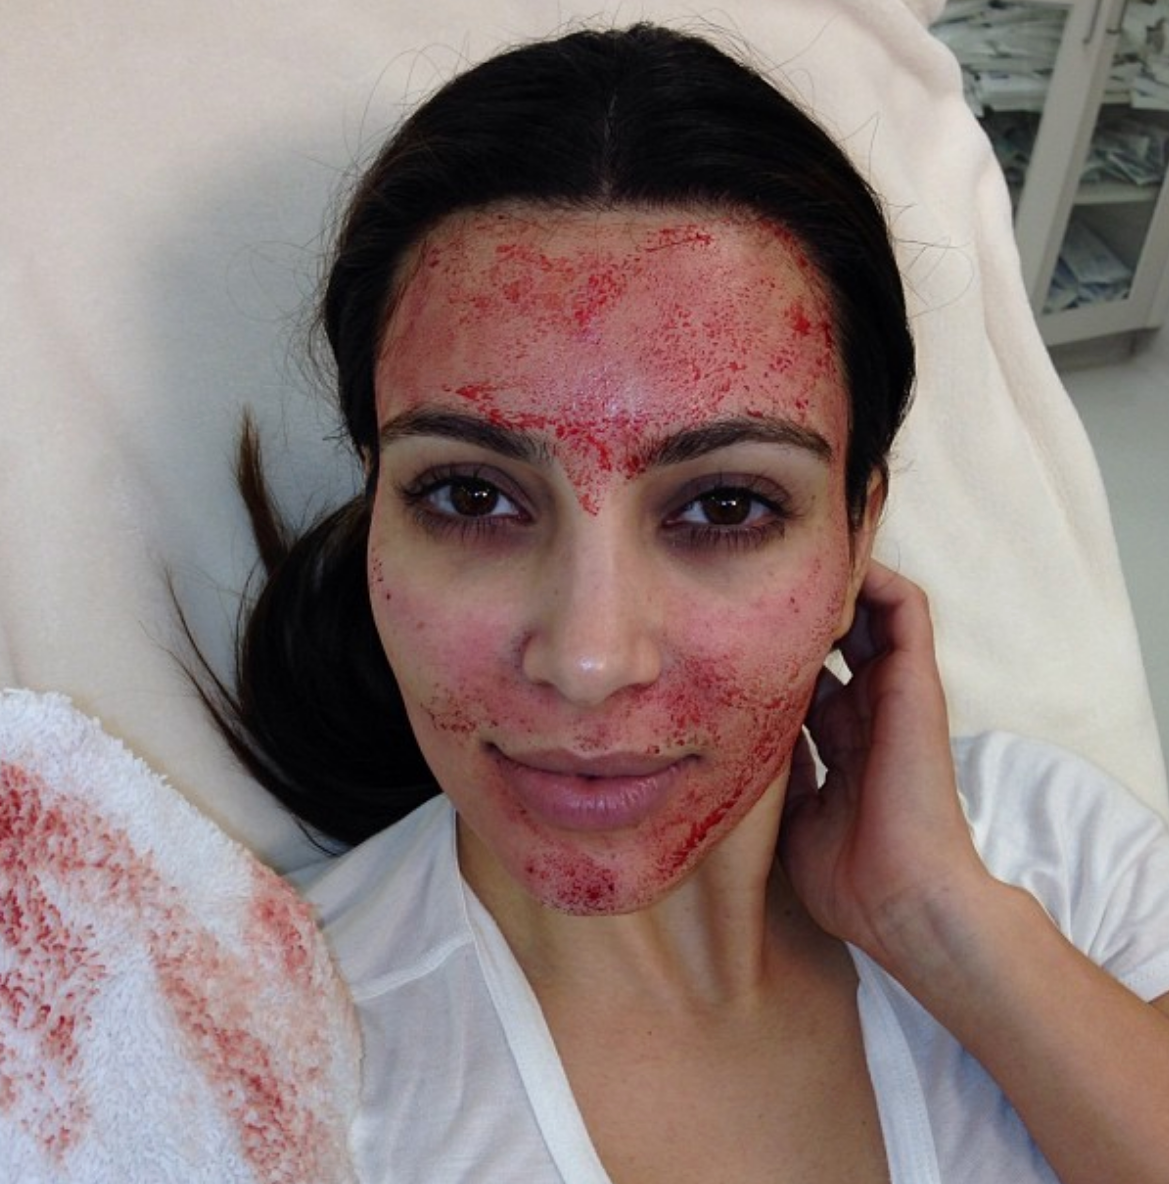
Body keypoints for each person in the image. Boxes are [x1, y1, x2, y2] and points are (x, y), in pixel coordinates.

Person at [209, 22, 1169, 1183]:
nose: (587, 656)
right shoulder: (246, 1058)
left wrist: (938, 918)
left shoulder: (1059, 862)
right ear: (378, 523)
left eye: (722, 506)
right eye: (470, 493)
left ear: (857, 533)